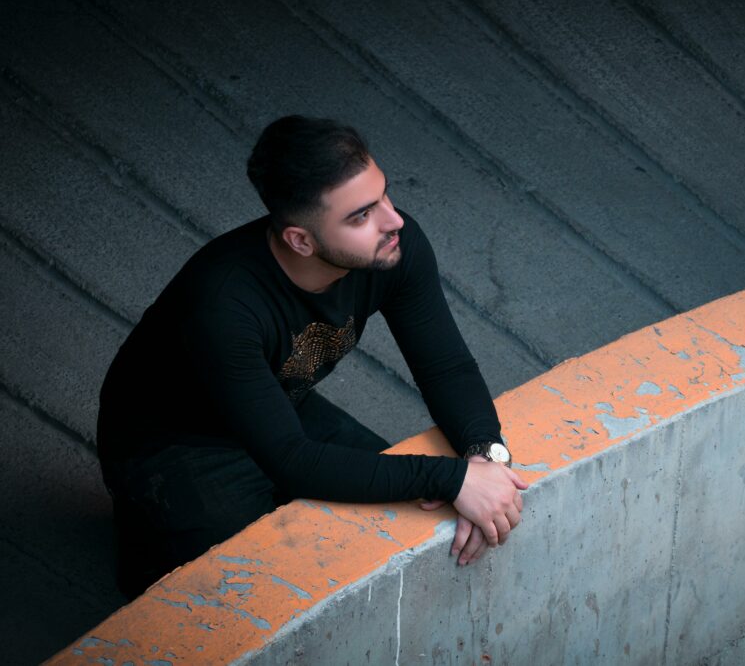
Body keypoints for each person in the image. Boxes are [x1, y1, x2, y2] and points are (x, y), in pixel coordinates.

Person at [97, 115, 526, 599]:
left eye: (384, 195)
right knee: (249, 594)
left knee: (404, 527)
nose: (394, 220)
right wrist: (452, 479)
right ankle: (147, 544)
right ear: (300, 240)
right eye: (361, 216)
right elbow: (293, 461)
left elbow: (446, 367)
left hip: (278, 407)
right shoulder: (223, 305)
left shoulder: (393, 246)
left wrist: (483, 457)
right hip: (174, 446)